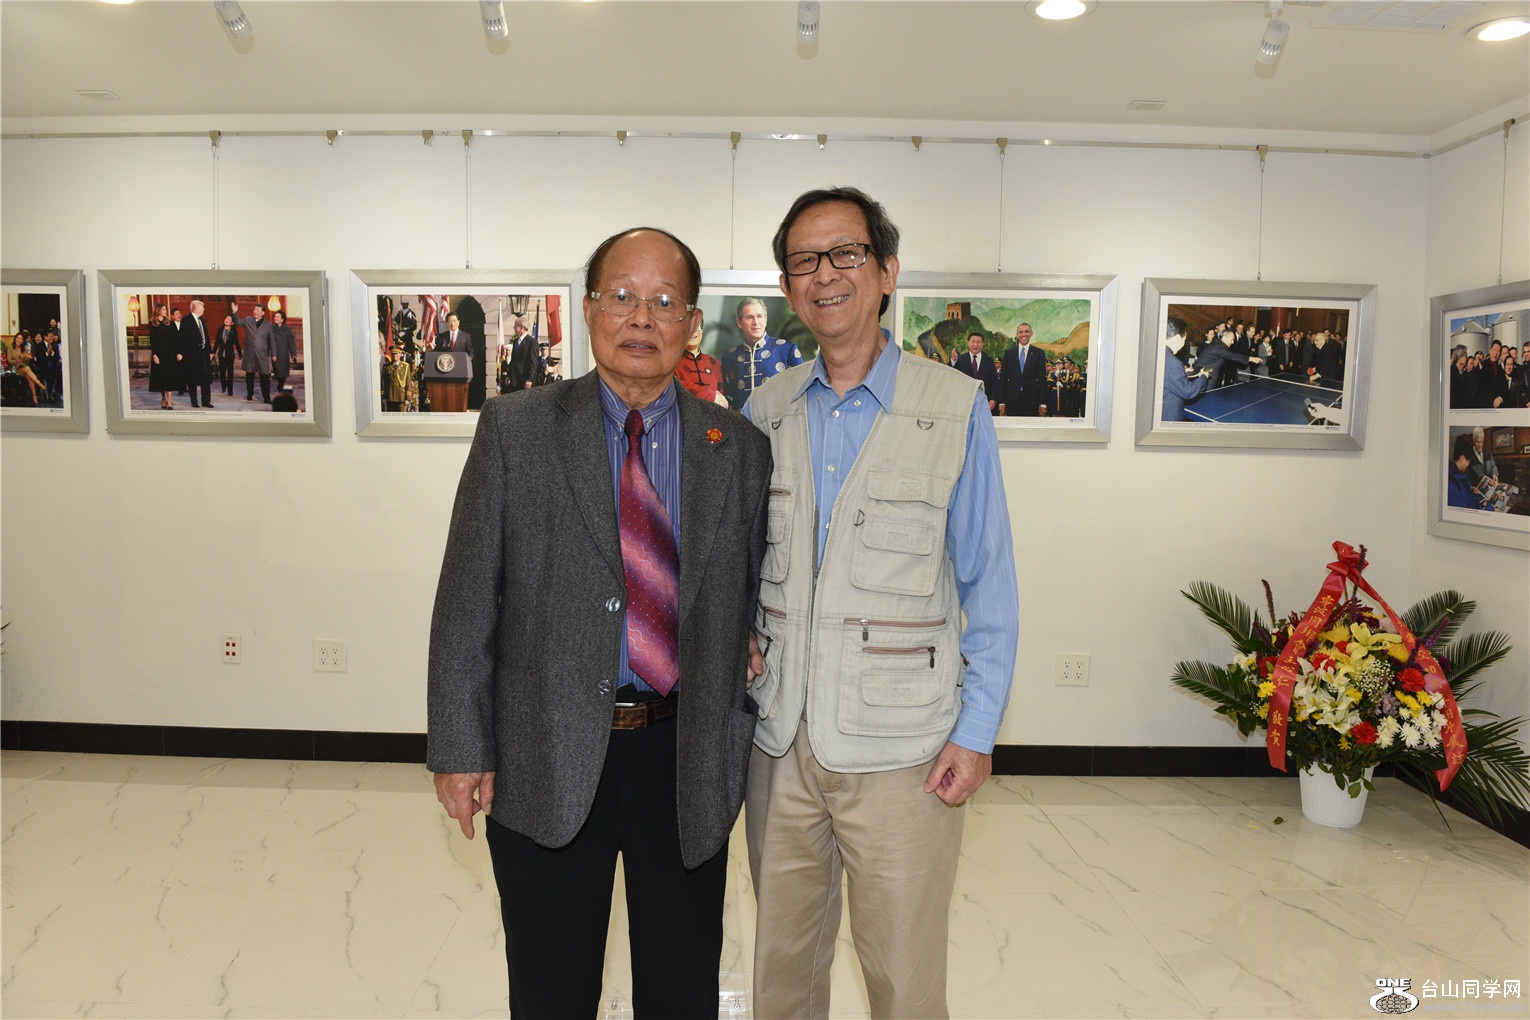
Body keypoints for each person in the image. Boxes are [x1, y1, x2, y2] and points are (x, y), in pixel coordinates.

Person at [428, 226, 772, 1019]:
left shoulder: (738, 448)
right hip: (544, 749)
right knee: (551, 990)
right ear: (588, 311)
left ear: (692, 323)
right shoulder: (516, 429)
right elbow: (467, 600)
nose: (641, 318)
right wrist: (459, 748)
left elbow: (755, 584)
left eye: (664, 302)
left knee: (682, 990)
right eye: (621, 297)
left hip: (685, 755)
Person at [742, 187, 1018, 1020]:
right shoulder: (765, 411)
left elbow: (990, 585)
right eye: (804, 261)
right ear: (787, 288)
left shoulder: (953, 407)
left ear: (887, 271)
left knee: (903, 978)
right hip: (780, 741)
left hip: (904, 751)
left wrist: (976, 732)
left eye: (846, 254)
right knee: (781, 973)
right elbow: (738, 564)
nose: (825, 274)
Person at [720, 297, 802, 408]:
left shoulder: (787, 350)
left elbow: (800, 391)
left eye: (759, 316)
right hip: (739, 418)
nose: (756, 322)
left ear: (765, 320)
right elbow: (728, 396)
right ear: (739, 323)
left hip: (777, 417)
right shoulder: (730, 357)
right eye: (750, 317)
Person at [1161, 315, 1211, 422]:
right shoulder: (1174, 363)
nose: (1183, 344)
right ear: (1177, 337)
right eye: (1184, 340)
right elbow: (1188, 392)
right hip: (1169, 416)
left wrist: (1181, 372)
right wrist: (1203, 376)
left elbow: (1165, 375)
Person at [996, 321, 1048, 416]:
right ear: (1017, 334)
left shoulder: (1039, 353)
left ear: (1031, 333)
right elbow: (1003, 379)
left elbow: (1042, 380)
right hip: (1012, 400)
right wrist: (1001, 402)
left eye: (1027, 331)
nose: (1024, 334)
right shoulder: (1009, 353)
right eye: (1021, 332)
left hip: (1032, 401)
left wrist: (1043, 403)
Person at [674, 317, 727, 404]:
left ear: (701, 331)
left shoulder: (714, 363)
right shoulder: (670, 362)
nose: (693, 332)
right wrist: (710, 396)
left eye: (697, 327)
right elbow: (673, 387)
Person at [234, 301, 275, 403]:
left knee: (264, 377)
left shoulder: (268, 325)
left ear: (263, 313)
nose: (255, 312)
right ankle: (249, 395)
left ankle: (266, 398)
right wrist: (235, 312)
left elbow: (272, 341)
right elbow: (238, 322)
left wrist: (274, 354)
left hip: (262, 355)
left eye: (257, 310)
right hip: (250, 354)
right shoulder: (248, 320)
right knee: (249, 376)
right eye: (254, 310)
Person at [952, 332, 999, 414]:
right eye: (973, 342)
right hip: (965, 401)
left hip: (984, 402)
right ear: (968, 343)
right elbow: (954, 377)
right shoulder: (961, 359)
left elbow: (994, 381)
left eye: (978, 342)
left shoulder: (989, 361)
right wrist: (953, 361)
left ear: (982, 344)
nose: (975, 345)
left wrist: (993, 399)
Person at [180, 299, 214, 408]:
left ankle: (206, 401)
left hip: (204, 354)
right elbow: (183, 339)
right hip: (192, 356)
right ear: (196, 308)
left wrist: (210, 351)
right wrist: (183, 354)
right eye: (202, 307)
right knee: (192, 379)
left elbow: (206, 337)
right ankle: (194, 401)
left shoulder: (202, 320)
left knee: (206, 378)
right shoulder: (186, 320)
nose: (204, 309)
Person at [148, 304, 180, 410]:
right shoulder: (152, 324)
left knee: (169, 377)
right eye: (163, 309)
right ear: (158, 311)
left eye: (166, 309)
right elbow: (152, 341)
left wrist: (178, 353)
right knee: (161, 378)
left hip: (170, 354)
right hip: (159, 354)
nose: (166, 311)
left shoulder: (170, 323)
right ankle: (163, 398)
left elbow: (175, 339)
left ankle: (169, 400)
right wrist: (154, 355)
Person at [1447, 432, 1478, 509]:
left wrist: (1471, 490)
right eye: (1469, 461)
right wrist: (1488, 508)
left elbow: (1466, 496)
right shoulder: (1451, 481)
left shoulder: (1460, 474)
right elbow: (1463, 510)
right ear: (1462, 458)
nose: (1469, 464)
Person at [270, 310, 298, 396]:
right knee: (278, 371)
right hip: (275, 354)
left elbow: (291, 343)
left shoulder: (287, 330)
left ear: (282, 320)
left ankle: (280, 385)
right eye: (275, 316)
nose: (275, 318)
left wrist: (293, 354)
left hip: (284, 354)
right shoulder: (271, 329)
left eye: (277, 317)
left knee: (284, 372)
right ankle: (280, 386)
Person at [215, 314, 241, 396]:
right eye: (226, 318)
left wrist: (240, 353)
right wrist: (213, 352)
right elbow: (217, 342)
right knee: (222, 372)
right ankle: (224, 385)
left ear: (232, 323)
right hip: (221, 354)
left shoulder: (233, 331)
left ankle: (230, 390)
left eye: (229, 319)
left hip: (229, 354)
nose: (226, 320)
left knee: (230, 373)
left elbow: (236, 342)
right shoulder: (220, 329)